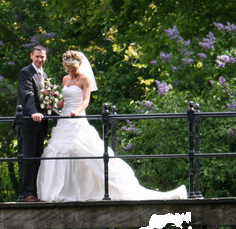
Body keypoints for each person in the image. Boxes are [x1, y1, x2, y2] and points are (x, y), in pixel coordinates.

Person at [37, 50, 187, 202]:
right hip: (64, 119)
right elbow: (64, 101)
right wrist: (51, 101)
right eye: (68, 70)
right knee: (58, 149)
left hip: (77, 117)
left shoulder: (85, 79)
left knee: (82, 149)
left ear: (78, 66)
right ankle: (64, 190)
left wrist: (77, 111)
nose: (70, 73)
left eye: (73, 70)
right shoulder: (65, 79)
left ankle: (93, 189)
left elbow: (86, 101)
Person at [15, 45, 52, 202]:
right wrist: (33, 113)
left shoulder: (44, 75)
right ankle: (27, 193)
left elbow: (47, 100)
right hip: (29, 122)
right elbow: (28, 95)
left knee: (38, 157)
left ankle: (36, 191)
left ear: (46, 57)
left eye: (42, 57)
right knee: (29, 157)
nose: (40, 59)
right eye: (37, 56)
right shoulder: (26, 73)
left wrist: (58, 115)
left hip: (41, 123)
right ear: (31, 56)